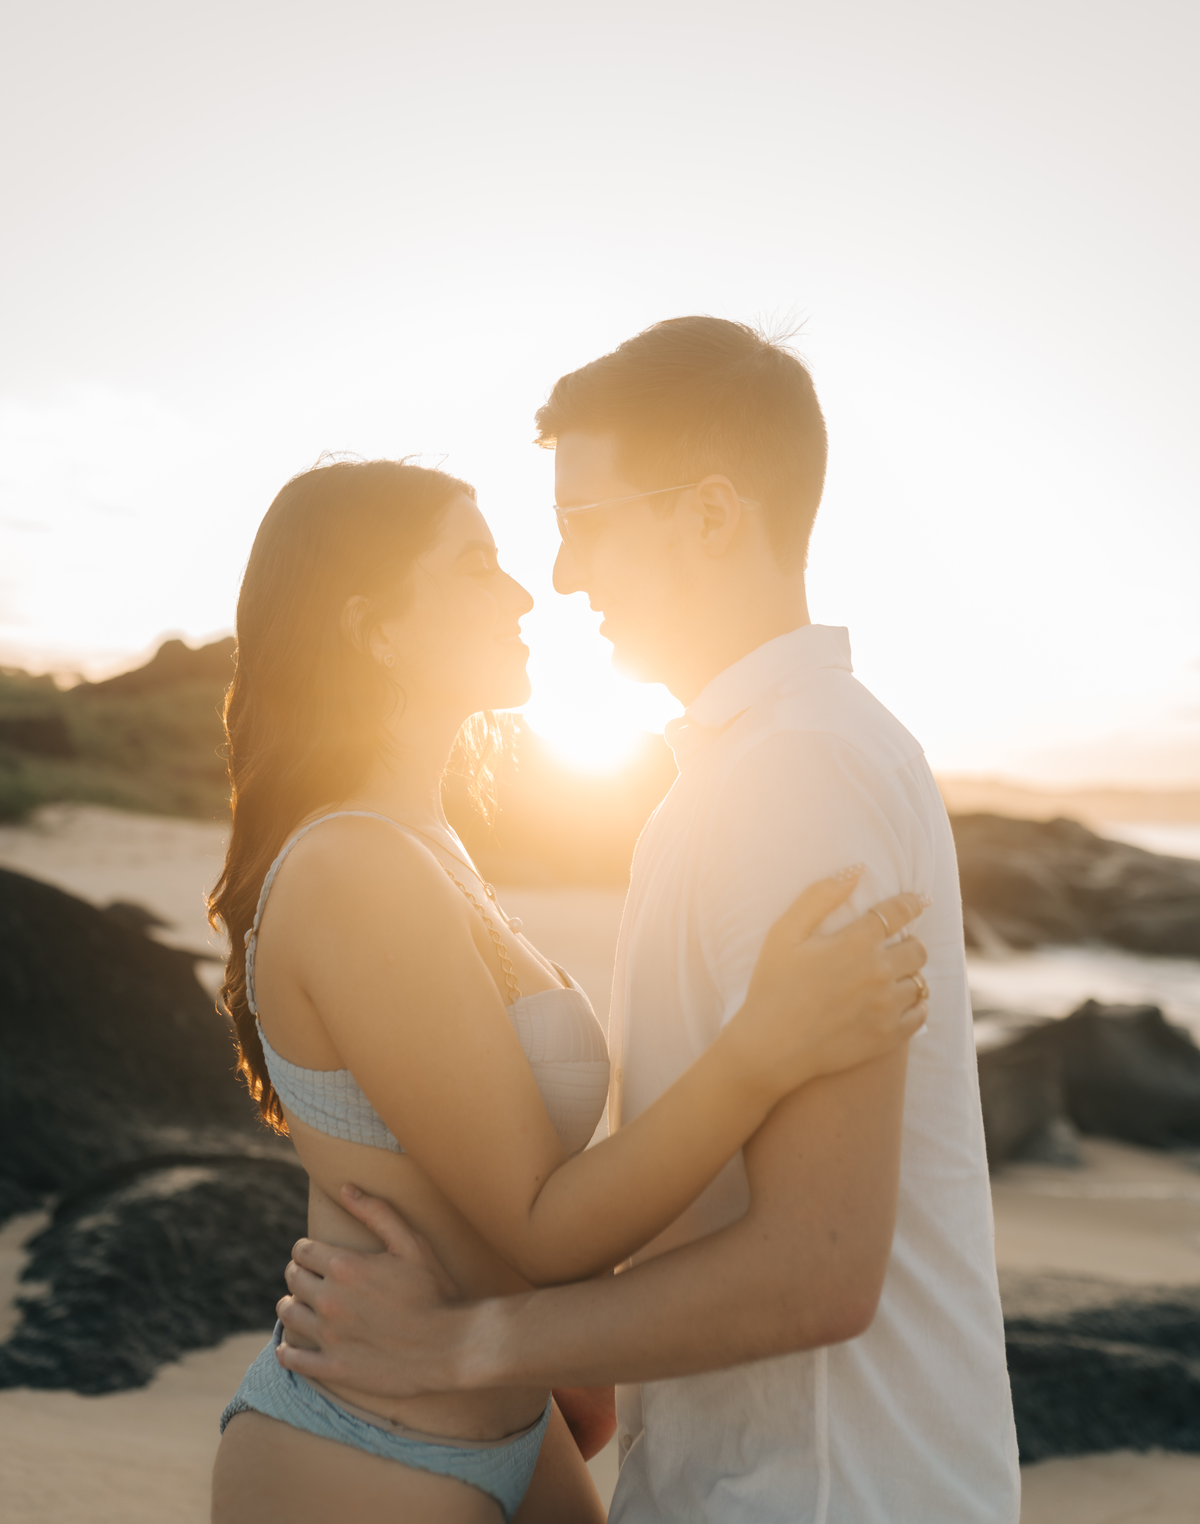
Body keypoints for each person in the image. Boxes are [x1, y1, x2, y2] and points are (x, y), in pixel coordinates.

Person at [274, 318, 1022, 1523]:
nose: (562, 574)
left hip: (823, 1493)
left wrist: (465, 1345)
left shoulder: (798, 776)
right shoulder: (743, 769)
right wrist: (583, 1343)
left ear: (713, 513)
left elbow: (820, 1267)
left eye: (586, 521)